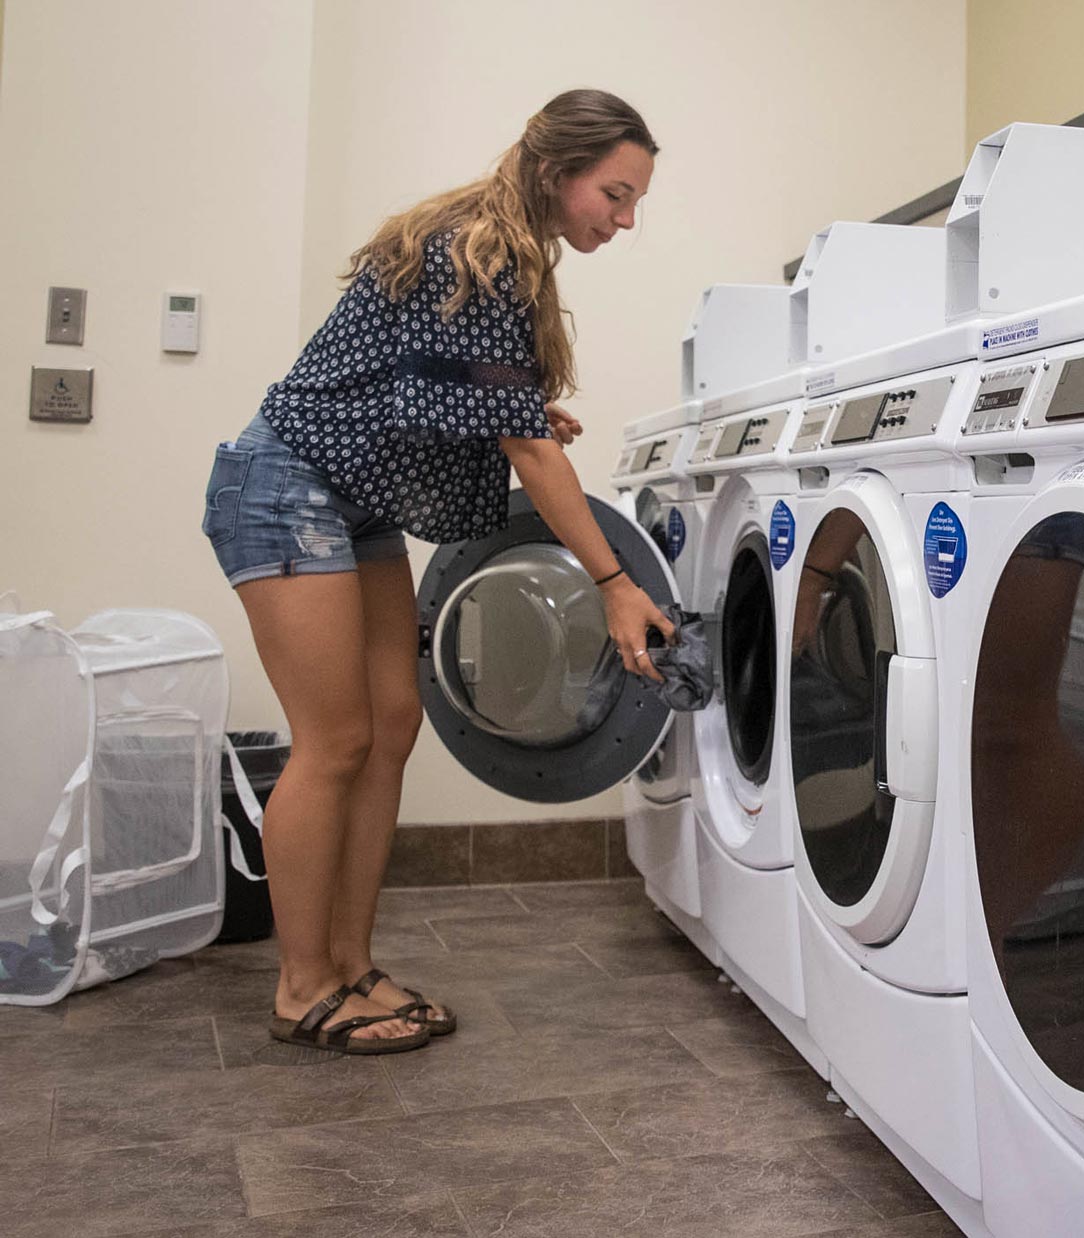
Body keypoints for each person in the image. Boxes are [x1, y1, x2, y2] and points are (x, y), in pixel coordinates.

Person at [199, 89, 672, 1054]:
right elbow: (531, 456)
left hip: (350, 499)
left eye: (631, 203)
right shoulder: (481, 248)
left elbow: (427, 376)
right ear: (556, 174)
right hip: (285, 488)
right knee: (332, 741)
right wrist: (615, 583)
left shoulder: (501, 246)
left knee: (392, 724)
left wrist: (526, 410)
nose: (625, 221)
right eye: (614, 196)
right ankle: (302, 988)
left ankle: (350, 963)